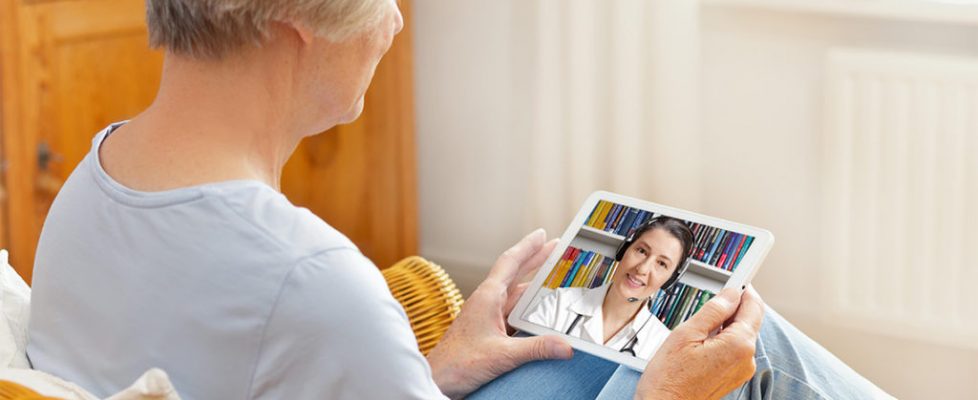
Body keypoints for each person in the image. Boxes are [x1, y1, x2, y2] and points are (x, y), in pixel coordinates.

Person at [25, 0, 892, 399]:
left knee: (620, 341)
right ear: (296, 31)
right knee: (744, 343)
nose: (397, 23)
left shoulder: (92, 181)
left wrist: (431, 372)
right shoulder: (312, 280)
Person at [524, 217, 694, 359]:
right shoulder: (559, 302)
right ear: (624, 250)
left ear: (671, 279)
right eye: (641, 251)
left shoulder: (663, 345)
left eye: (662, 263)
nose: (642, 269)